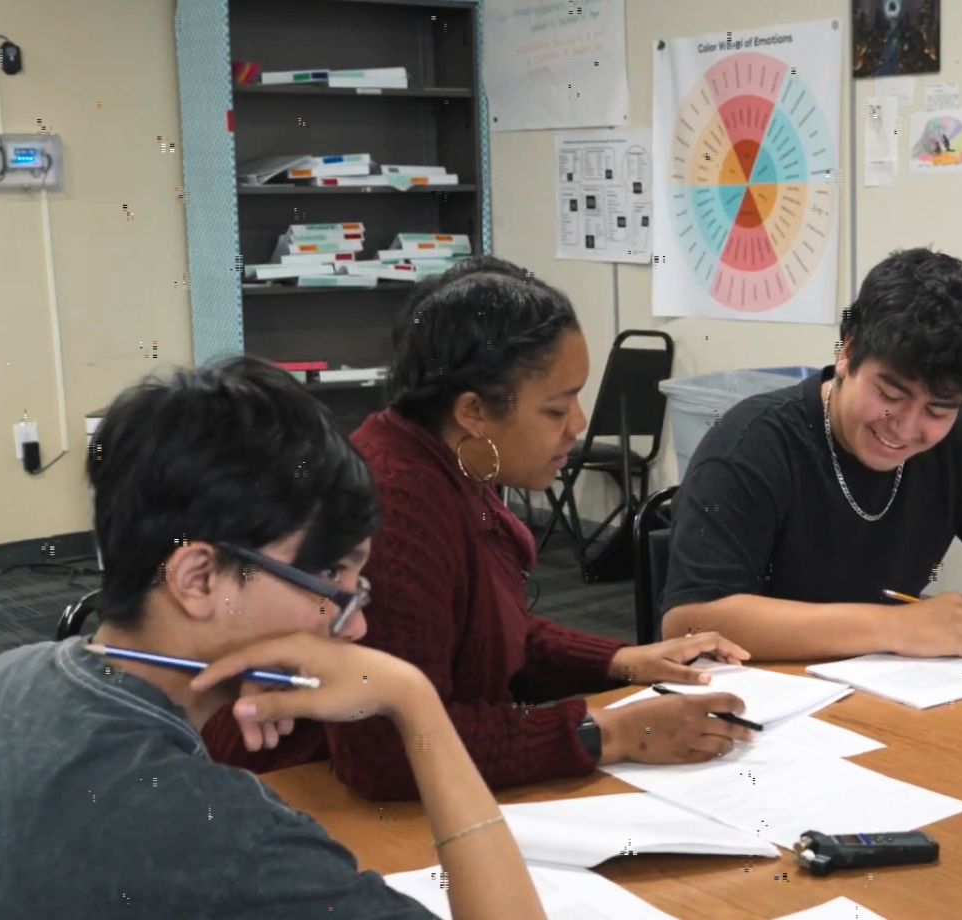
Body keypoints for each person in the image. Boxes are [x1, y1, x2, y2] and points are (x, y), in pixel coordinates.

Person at [0, 357, 547, 919]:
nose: (358, 626)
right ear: (199, 579)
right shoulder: (221, 835)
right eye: (329, 579)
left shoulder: (3, 677)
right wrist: (415, 703)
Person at [206, 256, 754, 800]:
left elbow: (482, 627)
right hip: (302, 797)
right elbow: (389, 752)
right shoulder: (395, 507)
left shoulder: (449, 464)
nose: (579, 426)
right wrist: (609, 732)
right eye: (556, 409)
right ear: (473, 412)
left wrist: (619, 661)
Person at [661, 247, 962, 660]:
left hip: (885, 691)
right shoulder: (752, 446)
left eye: (937, 410)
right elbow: (689, 623)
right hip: (766, 698)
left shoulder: (961, 442)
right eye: (889, 394)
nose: (904, 427)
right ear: (847, 353)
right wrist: (895, 626)